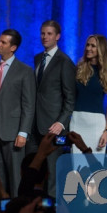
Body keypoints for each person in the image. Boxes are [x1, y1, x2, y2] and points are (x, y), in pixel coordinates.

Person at [0, 29, 36, 197]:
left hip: (13, 132)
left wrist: (23, 132)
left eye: (3, 42)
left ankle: (16, 211)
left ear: (13, 47)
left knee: (15, 176)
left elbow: (28, 105)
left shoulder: (25, 71)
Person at [30, 20, 76, 197]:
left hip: (53, 127)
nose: (45, 37)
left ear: (57, 36)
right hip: (34, 125)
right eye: (43, 33)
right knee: (34, 169)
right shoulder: (37, 59)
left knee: (54, 172)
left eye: (49, 34)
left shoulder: (64, 62)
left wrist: (61, 122)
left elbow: (70, 98)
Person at [71, 35, 107, 153]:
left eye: (93, 46)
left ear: (101, 49)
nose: (88, 48)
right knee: (77, 166)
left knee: (95, 167)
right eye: (87, 45)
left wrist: (106, 131)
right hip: (77, 121)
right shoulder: (79, 69)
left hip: (97, 124)